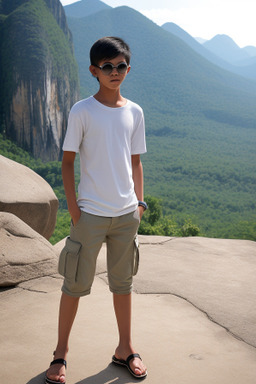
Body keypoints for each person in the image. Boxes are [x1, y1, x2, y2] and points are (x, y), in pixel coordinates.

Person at [45, 36, 148, 384]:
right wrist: (74, 210)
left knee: (123, 285)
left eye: (120, 66)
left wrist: (139, 203)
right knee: (73, 286)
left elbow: (135, 162)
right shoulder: (82, 110)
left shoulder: (135, 112)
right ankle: (60, 354)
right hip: (89, 214)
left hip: (125, 215)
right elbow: (67, 162)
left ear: (128, 68)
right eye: (107, 67)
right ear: (94, 70)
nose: (115, 72)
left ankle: (125, 348)